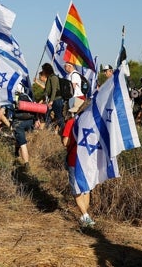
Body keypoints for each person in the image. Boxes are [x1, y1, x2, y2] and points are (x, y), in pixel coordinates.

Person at [60, 100, 96, 228]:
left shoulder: (71, 122)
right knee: (86, 188)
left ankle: (85, 216)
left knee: (76, 189)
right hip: (87, 159)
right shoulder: (88, 122)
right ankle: (86, 215)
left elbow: (65, 142)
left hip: (74, 159)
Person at [41, 63, 64, 131]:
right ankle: (48, 129)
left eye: (43, 70)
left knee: (58, 116)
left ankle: (63, 129)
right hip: (52, 100)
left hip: (56, 100)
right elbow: (47, 90)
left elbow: (54, 90)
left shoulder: (53, 77)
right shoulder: (49, 78)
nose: (43, 72)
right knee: (47, 115)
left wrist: (51, 101)